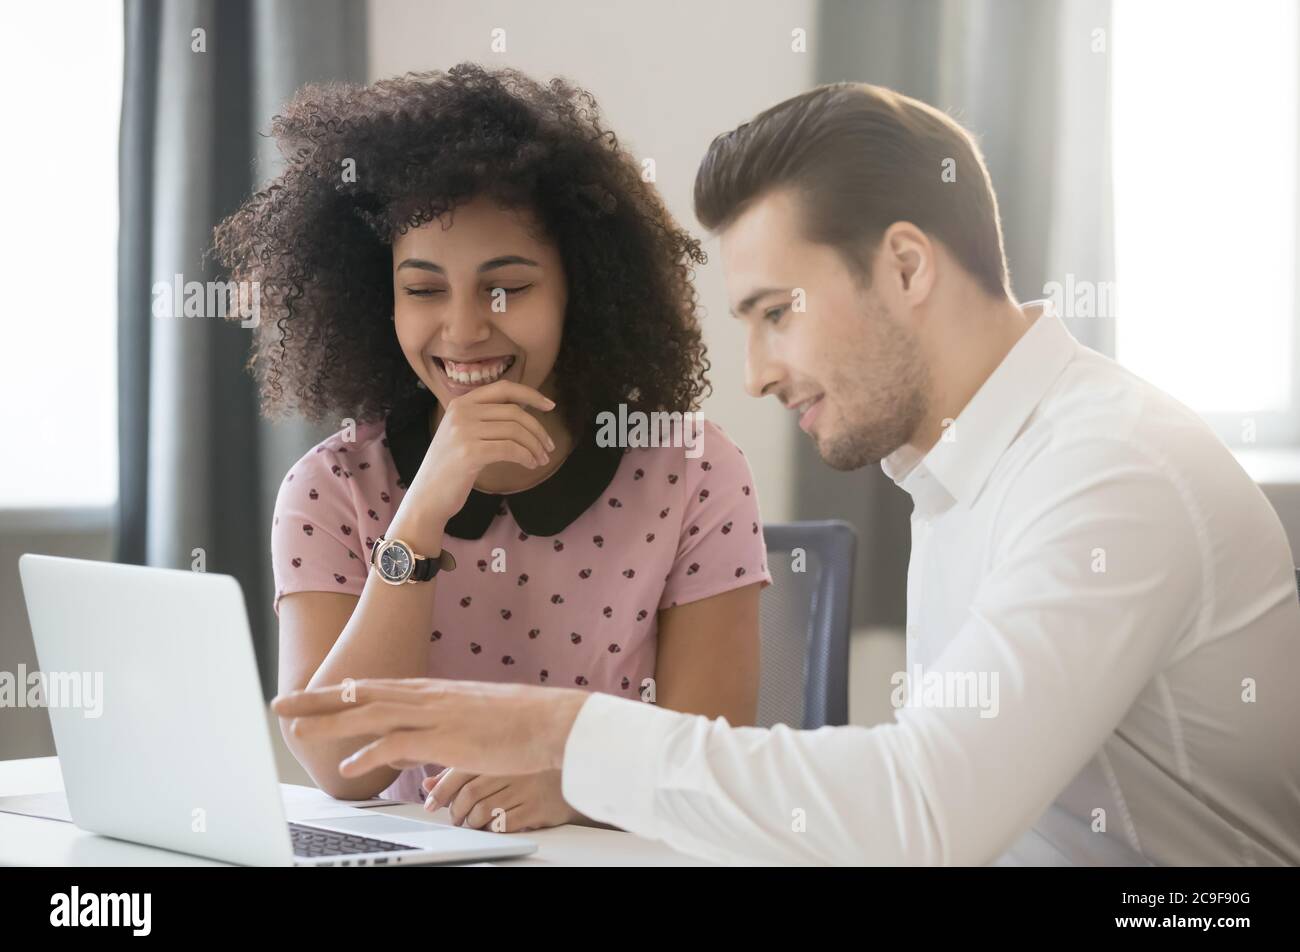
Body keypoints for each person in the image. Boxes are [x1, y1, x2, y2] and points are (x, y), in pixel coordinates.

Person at [273, 82, 1300, 865]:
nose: (757, 372)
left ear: (905, 266)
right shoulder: (962, 468)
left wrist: (564, 734)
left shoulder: (1103, 470)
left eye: (776, 311)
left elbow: (926, 809)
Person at [217, 64, 771, 833]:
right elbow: (344, 766)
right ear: (381, 298)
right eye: (424, 289)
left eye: (506, 287)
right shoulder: (331, 487)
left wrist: (576, 788)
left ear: (581, 288)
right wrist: (420, 515)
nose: (465, 329)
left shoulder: (695, 471)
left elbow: (715, 756)